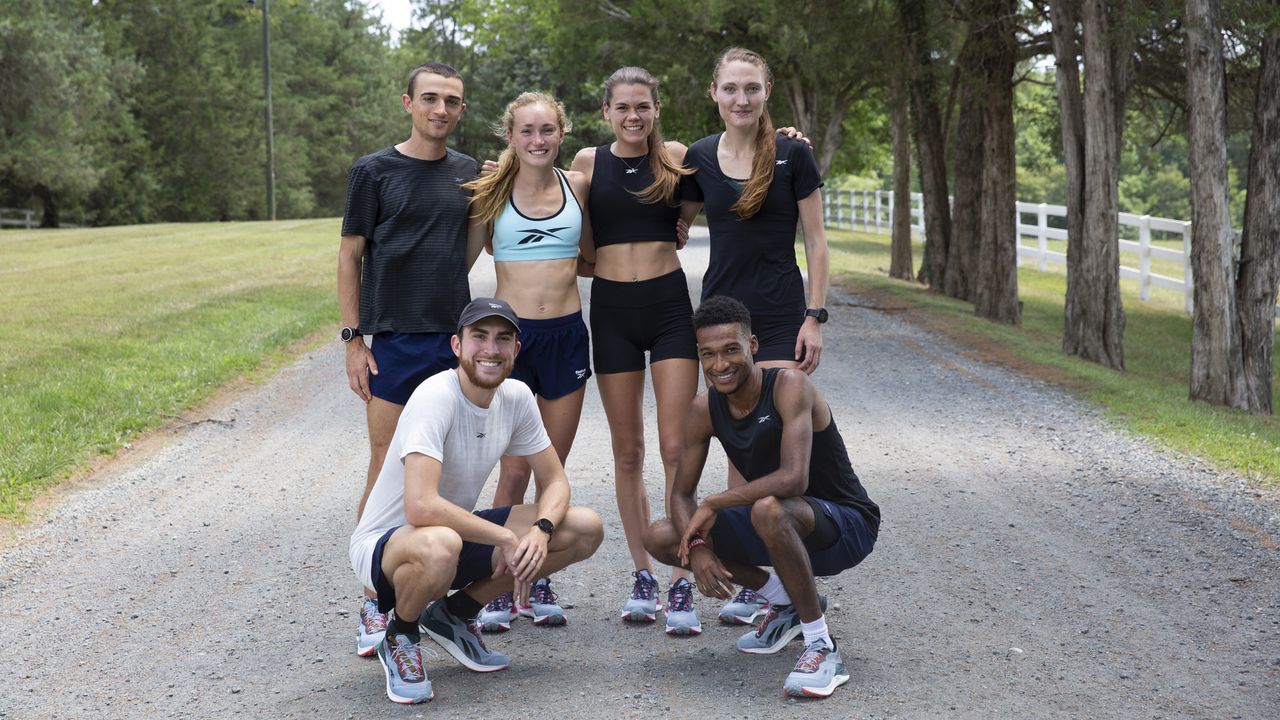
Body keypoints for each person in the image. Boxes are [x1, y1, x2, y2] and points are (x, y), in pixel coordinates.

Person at [348, 297, 604, 705]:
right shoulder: (436, 396)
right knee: (441, 545)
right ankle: (401, 635)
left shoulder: (517, 397)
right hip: (387, 544)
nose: (491, 349)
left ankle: (453, 615)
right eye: (479, 337)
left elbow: (555, 481)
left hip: (448, 535)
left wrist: (540, 531)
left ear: (516, 351)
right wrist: (504, 537)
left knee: (584, 527)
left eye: (503, 339)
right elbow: (420, 507)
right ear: (457, 345)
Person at [643, 296, 880, 698]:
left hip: (843, 524)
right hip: (775, 524)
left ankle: (821, 645)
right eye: (709, 355)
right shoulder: (704, 409)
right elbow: (681, 494)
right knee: (663, 536)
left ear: (752, 345)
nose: (721, 364)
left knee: (769, 509)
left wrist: (716, 501)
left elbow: (793, 480)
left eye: (731, 349)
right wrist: (698, 549)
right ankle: (783, 601)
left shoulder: (790, 386)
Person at [338, 62, 487, 657]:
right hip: (395, 339)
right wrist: (354, 337)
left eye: (452, 101)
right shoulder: (373, 171)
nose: (441, 110)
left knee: (446, 463)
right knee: (385, 462)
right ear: (408, 102)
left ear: (461, 110)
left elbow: (470, 244)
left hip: (451, 338)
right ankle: (375, 602)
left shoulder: (469, 172)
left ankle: (437, 589)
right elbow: (351, 255)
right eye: (430, 98)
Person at [566, 67, 705, 634]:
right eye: (622, 107)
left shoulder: (675, 157)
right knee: (629, 451)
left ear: (656, 107)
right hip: (614, 311)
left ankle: (681, 579)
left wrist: (787, 135)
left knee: (677, 447)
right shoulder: (585, 165)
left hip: (670, 307)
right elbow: (542, 198)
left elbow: (729, 169)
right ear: (606, 111)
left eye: (642, 106)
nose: (633, 116)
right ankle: (643, 573)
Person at [463, 92, 593, 630]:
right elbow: (464, 257)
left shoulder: (578, 185)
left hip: (566, 335)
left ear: (561, 134)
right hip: (510, 343)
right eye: (526, 131)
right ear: (510, 136)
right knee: (512, 472)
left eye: (546, 130)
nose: (537, 140)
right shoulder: (492, 192)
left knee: (549, 468)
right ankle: (496, 583)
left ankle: (537, 581)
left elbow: (593, 255)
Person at [680, 47, 831, 375]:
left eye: (752, 88)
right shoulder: (699, 156)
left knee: (780, 405)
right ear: (714, 92)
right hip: (721, 315)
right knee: (734, 418)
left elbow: (817, 242)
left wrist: (814, 317)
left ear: (767, 91)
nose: (742, 100)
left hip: (782, 314)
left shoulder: (793, 154)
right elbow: (675, 229)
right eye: (730, 89)